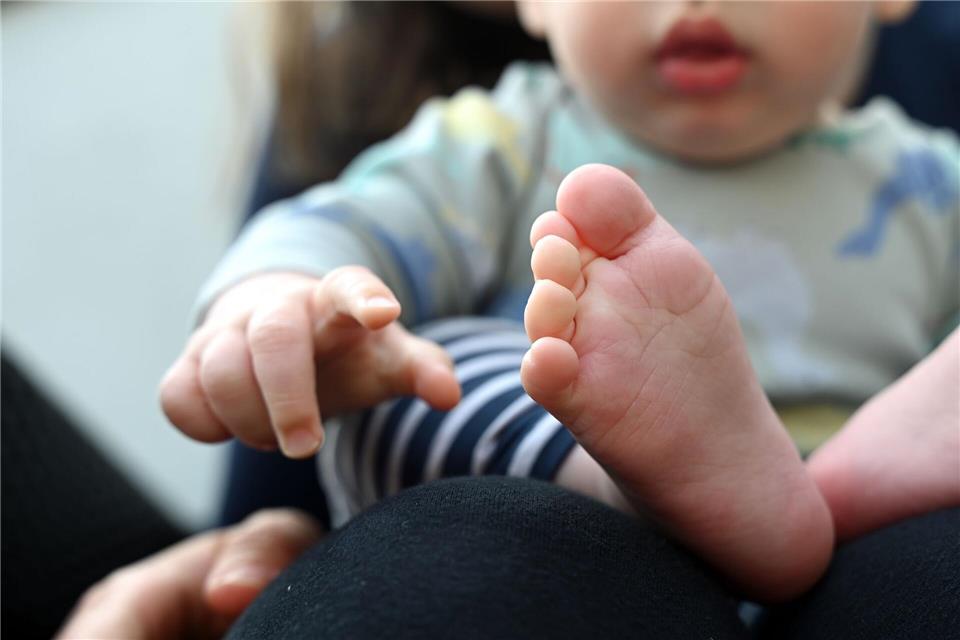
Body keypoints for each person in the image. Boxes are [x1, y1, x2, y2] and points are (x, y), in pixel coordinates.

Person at [61, 1, 959, 637]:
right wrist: (279, 299)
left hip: (843, 543)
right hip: (560, 479)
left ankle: (819, 481)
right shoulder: (502, 141)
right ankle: (637, 481)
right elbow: (333, 224)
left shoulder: (934, 181)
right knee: (413, 367)